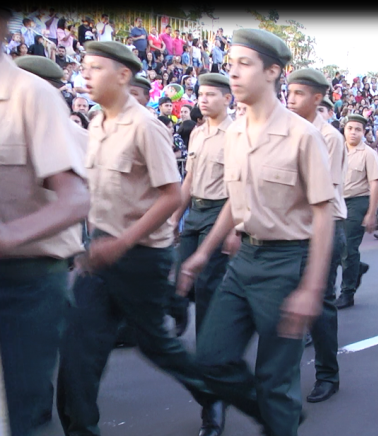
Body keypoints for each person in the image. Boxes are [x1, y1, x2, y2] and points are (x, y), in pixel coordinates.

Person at [55, 40, 219, 436]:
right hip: (100, 255)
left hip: (142, 254)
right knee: (78, 352)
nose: (85, 75)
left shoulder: (148, 126)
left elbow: (172, 193)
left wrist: (123, 241)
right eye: (84, 67)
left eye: (95, 68)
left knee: (158, 347)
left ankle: (212, 395)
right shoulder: (96, 123)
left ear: (123, 76)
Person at [177, 28, 335, 435]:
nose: (233, 73)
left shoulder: (303, 136)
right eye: (230, 65)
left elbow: (323, 214)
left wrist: (311, 289)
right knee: (210, 359)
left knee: (275, 380)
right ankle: (276, 416)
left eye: (244, 64)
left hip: (287, 264)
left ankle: (278, 414)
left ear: (273, 72)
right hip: (244, 259)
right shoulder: (234, 132)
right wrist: (202, 253)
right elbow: (235, 200)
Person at [0, 16, 89, 433]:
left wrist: (9, 235)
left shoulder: (29, 96)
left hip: (25, 281)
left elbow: (77, 199)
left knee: (25, 414)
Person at [167, 72, 233, 435]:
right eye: (201, 94)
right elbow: (189, 179)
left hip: (222, 212)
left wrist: (235, 228)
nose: (203, 100)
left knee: (207, 286)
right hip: (196, 213)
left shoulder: (236, 134)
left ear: (228, 99)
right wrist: (176, 216)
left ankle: (214, 393)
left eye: (211, 94)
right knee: (180, 276)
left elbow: (241, 185)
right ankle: (185, 318)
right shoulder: (196, 133)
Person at [285, 68, 347, 404]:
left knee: (320, 306)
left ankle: (328, 375)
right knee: (288, 303)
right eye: (289, 92)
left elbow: (323, 193)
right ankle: (285, 382)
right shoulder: (284, 130)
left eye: (298, 93)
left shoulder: (330, 137)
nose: (290, 99)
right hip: (292, 229)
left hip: (322, 226)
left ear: (317, 98)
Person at [335, 114, 378, 309]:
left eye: (358, 129)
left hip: (357, 202)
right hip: (337, 201)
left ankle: (348, 292)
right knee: (332, 247)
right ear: (344, 129)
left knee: (348, 247)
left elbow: (375, 183)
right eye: (350, 128)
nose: (353, 132)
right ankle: (357, 268)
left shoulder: (368, 153)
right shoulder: (336, 150)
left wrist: (372, 213)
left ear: (364, 132)